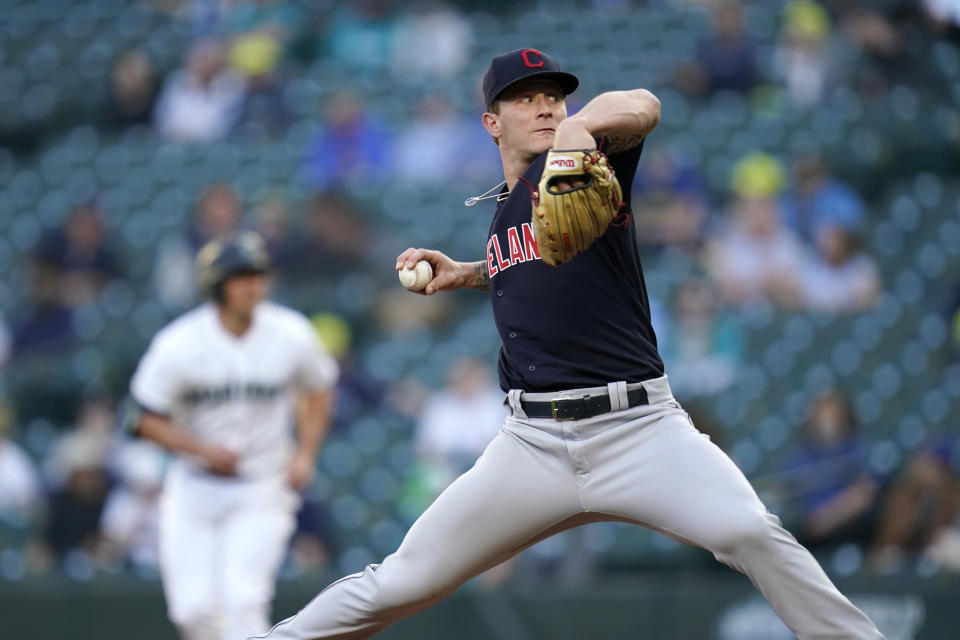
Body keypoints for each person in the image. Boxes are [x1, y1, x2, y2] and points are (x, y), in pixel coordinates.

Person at [250, 48, 883, 640]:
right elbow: (538, 265)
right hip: (533, 444)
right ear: (491, 123)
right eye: (525, 99)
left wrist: (582, 130)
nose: (546, 106)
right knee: (399, 582)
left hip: (639, 427)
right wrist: (470, 272)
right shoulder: (504, 208)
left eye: (553, 95)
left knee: (752, 532)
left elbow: (645, 103)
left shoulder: (588, 161)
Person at [131, 232, 338, 640]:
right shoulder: (179, 342)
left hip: (262, 485)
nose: (252, 285)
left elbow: (320, 387)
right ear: (215, 285)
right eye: (240, 276)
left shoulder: (291, 332)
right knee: (191, 612)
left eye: (257, 274)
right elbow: (141, 418)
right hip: (193, 488)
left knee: (243, 602)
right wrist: (200, 450)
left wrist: (306, 454)